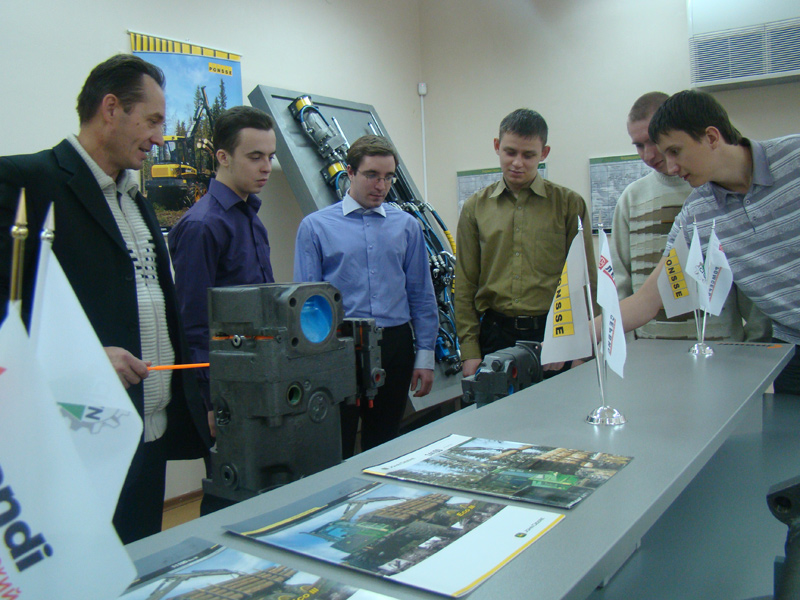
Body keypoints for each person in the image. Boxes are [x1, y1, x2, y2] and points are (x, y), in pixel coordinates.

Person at [0, 54, 211, 543]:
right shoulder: (25, 182)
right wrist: (83, 359)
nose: (160, 137)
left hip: (149, 435)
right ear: (111, 108)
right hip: (76, 440)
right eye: (152, 120)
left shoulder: (135, 198)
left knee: (139, 564)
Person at [601, 90, 800, 394]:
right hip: (792, 348)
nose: (670, 167)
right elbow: (648, 299)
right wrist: (580, 337)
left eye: (675, 151)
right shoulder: (697, 212)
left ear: (711, 137)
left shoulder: (794, 158)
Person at [294, 135, 438, 457]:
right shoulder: (316, 227)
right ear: (350, 172)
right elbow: (307, 305)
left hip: (395, 346)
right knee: (336, 445)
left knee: (385, 444)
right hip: (340, 346)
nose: (381, 186)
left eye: (388, 177)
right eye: (372, 175)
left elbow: (421, 295)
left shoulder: (407, 227)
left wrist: (425, 357)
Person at [611, 92, 770, 342]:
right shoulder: (631, 198)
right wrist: (623, 342)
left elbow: (752, 277)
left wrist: (756, 342)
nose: (648, 155)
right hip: (651, 345)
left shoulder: (718, 190)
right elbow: (622, 281)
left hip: (721, 345)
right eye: (639, 145)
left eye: (654, 142)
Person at [455, 108, 597, 377]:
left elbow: (586, 279)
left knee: (559, 404)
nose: (517, 163)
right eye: (510, 152)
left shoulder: (569, 205)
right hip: (495, 335)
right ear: (496, 146)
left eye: (528, 155)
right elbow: (465, 283)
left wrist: (583, 347)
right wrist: (470, 349)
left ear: (544, 153)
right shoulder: (475, 208)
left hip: (555, 332)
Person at [169, 106, 276, 428]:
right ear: (223, 157)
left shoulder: (250, 218)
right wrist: (211, 399)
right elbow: (194, 325)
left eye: (270, 157)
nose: (266, 167)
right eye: (255, 157)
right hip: (227, 388)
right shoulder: (202, 226)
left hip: (261, 372)